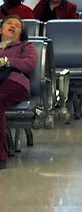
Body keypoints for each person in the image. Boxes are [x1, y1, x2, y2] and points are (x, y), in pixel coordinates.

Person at [0, 15, 37, 166]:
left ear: (21, 34)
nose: (13, 26)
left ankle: (1, 155)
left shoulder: (25, 46)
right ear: (1, 29)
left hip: (15, 82)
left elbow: (30, 64)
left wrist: (8, 61)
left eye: (17, 25)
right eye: (9, 23)